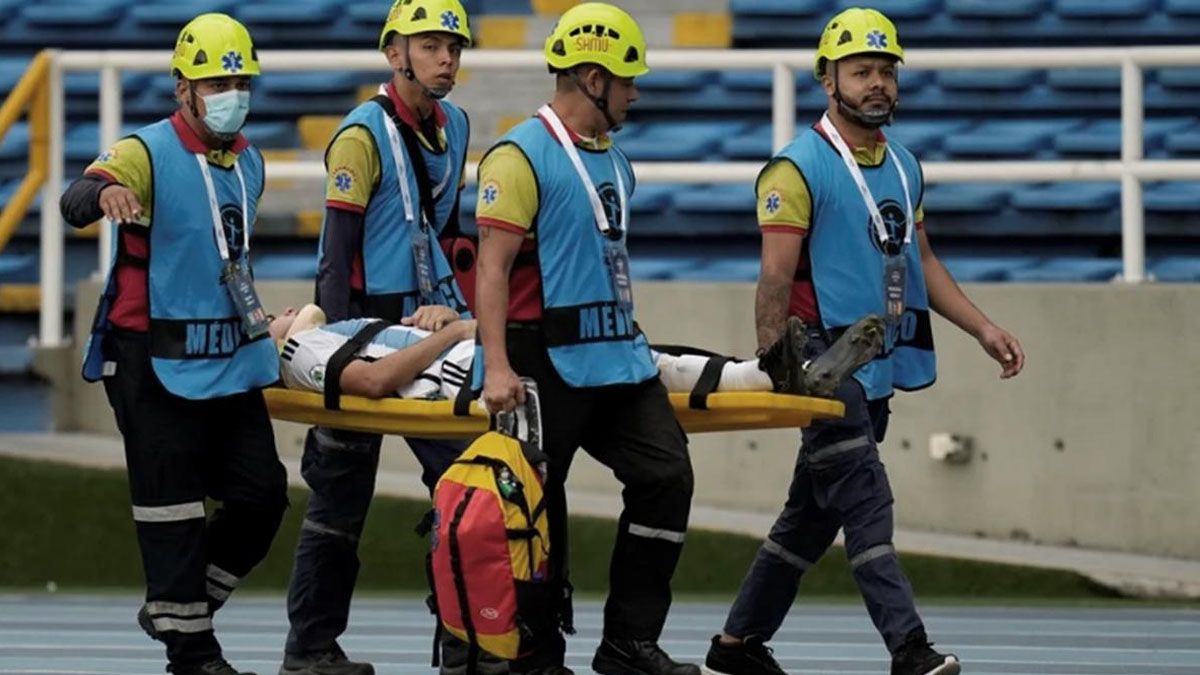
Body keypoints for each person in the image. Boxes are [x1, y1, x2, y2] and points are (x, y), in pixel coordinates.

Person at [702, 8, 1026, 675]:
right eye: (861, 71)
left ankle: (736, 645)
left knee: (810, 518)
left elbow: (923, 260)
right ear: (828, 80)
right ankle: (909, 648)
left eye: (885, 70)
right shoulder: (795, 169)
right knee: (867, 502)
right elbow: (773, 280)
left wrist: (983, 326)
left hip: (877, 366)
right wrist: (781, 366)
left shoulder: (905, 166)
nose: (877, 83)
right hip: (824, 368)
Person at [58, 13, 287, 675]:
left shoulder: (251, 161)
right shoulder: (146, 151)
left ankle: (176, 603)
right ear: (184, 87)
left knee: (262, 496)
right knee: (173, 507)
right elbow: (77, 196)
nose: (231, 92)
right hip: (151, 357)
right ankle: (192, 652)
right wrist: (110, 192)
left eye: (240, 79)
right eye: (217, 80)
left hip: (232, 357)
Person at [279, 1, 476, 674]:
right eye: (431, 45)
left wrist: (456, 313)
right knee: (337, 501)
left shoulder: (459, 127)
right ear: (396, 54)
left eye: (454, 45)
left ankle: (465, 638)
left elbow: (450, 239)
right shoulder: (360, 136)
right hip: (363, 334)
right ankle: (309, 649)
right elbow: (335, 258)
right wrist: (332, 355)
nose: (447, 56)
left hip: (430, 337)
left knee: (469, 483)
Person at [268, 304, 882, 402]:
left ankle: (771, 375)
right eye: (269, 319)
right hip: (473, 370)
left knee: (635, 352)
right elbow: (373, 383)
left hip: (473, 348)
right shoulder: (299, 351)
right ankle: (769, 376)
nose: (279, 313)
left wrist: (442, 316)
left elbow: (397, 349)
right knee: (630, 357)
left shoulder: (340, 324)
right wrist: (453, 335)